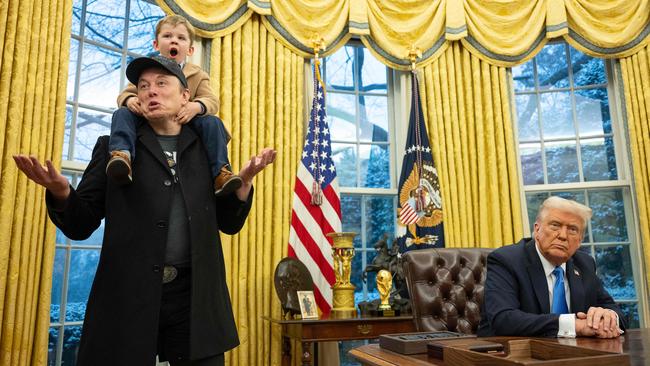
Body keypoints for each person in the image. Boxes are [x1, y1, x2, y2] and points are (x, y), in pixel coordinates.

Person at [13, 55, 276, 366]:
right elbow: (80, 224)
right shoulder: (113, 146)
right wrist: (60, 190)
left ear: (185, 96)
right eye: (143, 86)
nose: (151, 91)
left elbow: (229, 223)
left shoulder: (206, 146)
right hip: (126, 298)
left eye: (162, 84)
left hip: (194, 302)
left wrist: (243, 182)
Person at [108, 14, 241, 196]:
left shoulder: (197, 74)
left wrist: (196, 106)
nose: (174, 41)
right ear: (156, 45)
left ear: (190, 50)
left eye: (181, 38)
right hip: (151, 118)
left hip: (186, 120)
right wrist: (130, 101)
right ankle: (122, 155)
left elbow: (211, 100)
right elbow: (125, 93)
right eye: (167, 36)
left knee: (212, 122)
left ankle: (221, 172)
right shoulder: (147, 71)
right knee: (122, 114)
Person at [477, 196, 626, 339]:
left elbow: (617, 313)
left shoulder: (585, 264)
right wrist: (574, 326)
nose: (563, 235)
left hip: (572, 354)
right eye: (555, 225)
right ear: (537, 230)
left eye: (572, 229)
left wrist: (608, 318)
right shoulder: (507, 260)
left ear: (580, 240)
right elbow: (504, 319)